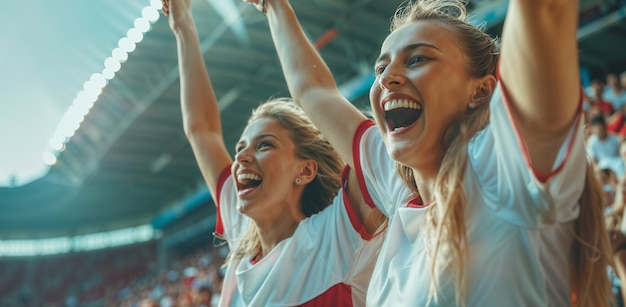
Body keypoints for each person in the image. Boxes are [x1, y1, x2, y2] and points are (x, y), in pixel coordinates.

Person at [246, 0, 612, 305]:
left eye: (417, 59)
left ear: (481, 91)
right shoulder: (398, 189)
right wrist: (274, 5)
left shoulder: (503, 166)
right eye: (381, 67)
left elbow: (544, 10)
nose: (388, 76)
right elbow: (312, 91)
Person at [161, 0, 388, 306]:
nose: (240, 157)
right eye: (240, 147)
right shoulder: (242, 229)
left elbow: (315, 91)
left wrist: (274, 5)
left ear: (306, 170)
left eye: (264, 144)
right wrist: (182, 25)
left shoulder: (337, 236)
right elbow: (201, 131)